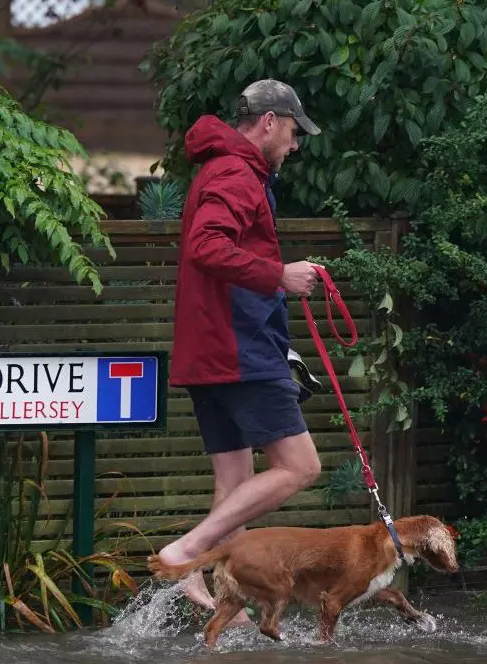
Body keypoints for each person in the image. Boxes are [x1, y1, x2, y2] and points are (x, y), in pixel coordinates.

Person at [160, 79, 324, 623]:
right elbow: (207, 246)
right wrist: (279, 274)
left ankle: (219, 597)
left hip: (214, 352)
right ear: (270, 121)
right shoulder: (235, 171)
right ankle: (188, 552)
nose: (295, 146)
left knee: (235, 487)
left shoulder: (220, 167)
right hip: (239, 350)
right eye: (295, 132)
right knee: (300, 467)